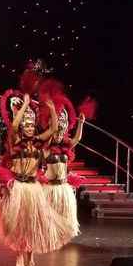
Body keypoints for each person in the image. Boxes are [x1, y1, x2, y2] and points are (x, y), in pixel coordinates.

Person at [0, 88, 74, 266]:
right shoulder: (15, 143)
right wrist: (25, 106)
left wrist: (52, 108)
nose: (28, 127)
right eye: (26, 125)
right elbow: (13, 126)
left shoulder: (38, 141)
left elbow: (53, 129)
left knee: (33, 223)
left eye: (31, 125)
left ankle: (30, 254)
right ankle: (20, 254)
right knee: (21, 224)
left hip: (33, 187)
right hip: (19, 186)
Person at [39, 84, 89, 238]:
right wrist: (53, 111)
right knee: (49, 220)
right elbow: (54, 129)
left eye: (64, 125)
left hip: (63, 186)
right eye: (58, 127)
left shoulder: (66, 145)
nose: (60, 130)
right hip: (50, 188)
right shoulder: (46, 146)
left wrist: (80, 123)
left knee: (62, 218)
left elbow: (76, 139)